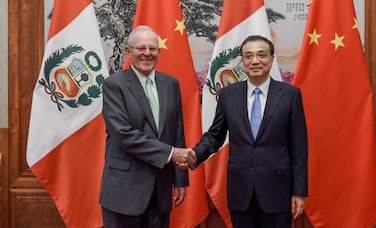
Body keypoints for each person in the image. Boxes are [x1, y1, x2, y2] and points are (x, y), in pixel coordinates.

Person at [189, 35, 308, 228]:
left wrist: (299, 192)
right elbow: (215, 135)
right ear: (242, 61)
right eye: (248, 56)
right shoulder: (228, 94)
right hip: (240, 190)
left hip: (278, 191)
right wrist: (195, 154)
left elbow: (299, 148)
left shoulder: (290, 95)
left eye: (261, 55)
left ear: (271, 59)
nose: (255, 61)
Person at [99, 25, 192, 228]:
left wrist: (180, 179)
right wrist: (171, 153)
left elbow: (177, 133)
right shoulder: (114, 85)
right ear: (128, 51)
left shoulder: (171, 84)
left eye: (153, 48)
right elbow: (123, 134)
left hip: (160, 191)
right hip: (123, 192)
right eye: (141, 48)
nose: (147, 54)